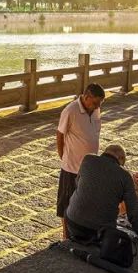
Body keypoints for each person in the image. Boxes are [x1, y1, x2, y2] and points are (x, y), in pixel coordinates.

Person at [65, 145, 138, 265]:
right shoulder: (124, 176)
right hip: (98, 232)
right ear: (121, 158)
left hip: (72, 223)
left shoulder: (87, 159)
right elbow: (133, 211)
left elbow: (79, 184)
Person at [56, 83, 106, 239]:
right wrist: (63, 156)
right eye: (95, 102)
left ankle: (81, 230)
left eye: (99, 104)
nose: (97, 106)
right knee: (67, 201)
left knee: (86, 200)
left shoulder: (96, 109)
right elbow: (59, 135)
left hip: (89, 167)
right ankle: (66, 234)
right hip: (71, 166)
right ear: (86, 97)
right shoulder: (70, 111)